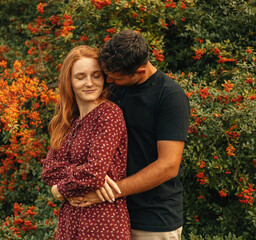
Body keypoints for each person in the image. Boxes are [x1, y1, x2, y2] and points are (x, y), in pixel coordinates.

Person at [71, 30, 190, 239]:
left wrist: (108, 192)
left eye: (115, 78)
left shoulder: (170, 96)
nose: (107, 80)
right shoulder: (114, 88)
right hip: (111, 214)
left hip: (153, 218)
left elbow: (168, 166)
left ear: (141, 70)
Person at [41, 45, 131, 239]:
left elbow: (94, 173)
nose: (89, 83)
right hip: (70, 221)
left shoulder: (109, 114)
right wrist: (81, 172)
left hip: (102, 222)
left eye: (96, 75)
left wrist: (59, 190)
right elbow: (48, 170)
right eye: (80, 77)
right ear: (70, 81)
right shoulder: (68, 121)